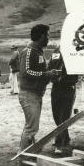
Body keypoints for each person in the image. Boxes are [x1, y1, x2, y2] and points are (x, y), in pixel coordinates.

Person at [18, 24, 61, 152]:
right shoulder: (28, 51)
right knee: (31, 127)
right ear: (42, 36)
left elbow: (40, 72)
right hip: (28, 94)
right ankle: (24, 154)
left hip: (35, 94)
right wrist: (46, 74)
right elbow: (25, 72)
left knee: (32, 126)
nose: (49, 38)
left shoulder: (38, 51)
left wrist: (50, 73)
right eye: (47, 35)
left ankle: (29, 149)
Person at [47, 47, 78, 155]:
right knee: (56, 116)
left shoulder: (74, 50)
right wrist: (51, 74)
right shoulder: (56, 51)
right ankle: (66, 138)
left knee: (63, 117)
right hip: (56, 88)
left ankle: (59, 143)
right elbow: (49, 66)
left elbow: (77, 69)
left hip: (68, 88)